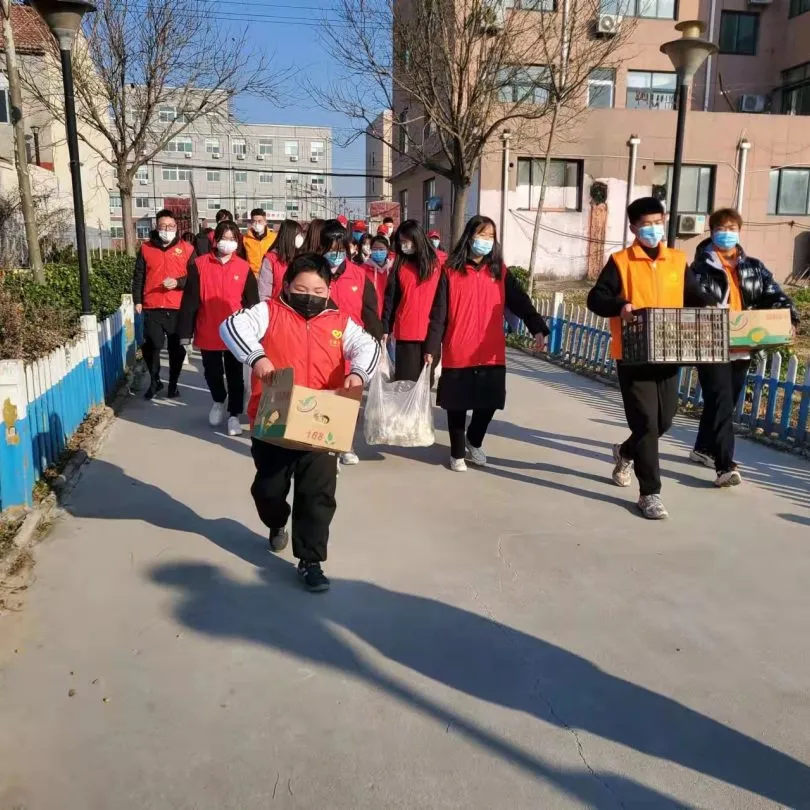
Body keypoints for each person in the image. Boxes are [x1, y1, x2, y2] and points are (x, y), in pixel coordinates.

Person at [219, 253, 381, 592]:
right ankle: (276, 521)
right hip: (275, 418)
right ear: (287, 285)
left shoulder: (340, 321)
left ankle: (311, 560)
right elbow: (231, 327)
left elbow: (368, 346)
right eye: (302, 289)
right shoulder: (268, 312)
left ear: (329, 290)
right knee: (269, 489)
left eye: (318, 291)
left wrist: (357, 374)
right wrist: (257, 358)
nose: (310, 297)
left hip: (321, 420)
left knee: (317, 494)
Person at [587, 196, 709, 520]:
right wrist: (620, 306)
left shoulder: (676, 261)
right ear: (633, 228)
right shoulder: (621, 262)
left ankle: (625, 452)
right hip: (633, 354)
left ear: (664, 221)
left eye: (657, 222)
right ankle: (650, 493)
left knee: (663, 421)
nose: (653, 229)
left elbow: (694, 296)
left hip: (669, 351)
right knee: (644, 421)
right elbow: (596, 298)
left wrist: (713, 306)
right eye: (646, 225)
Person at [426, 215, 548, 472]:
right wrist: (431, 348)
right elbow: (438, 313)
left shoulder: (499, 272)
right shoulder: (450, 271)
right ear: (469, 237)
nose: (486, 241)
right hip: (459, 349)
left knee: (490, 401)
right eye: (482, 235)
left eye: (491, 236)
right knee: (457, 404)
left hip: (490, 350)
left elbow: (520, 301)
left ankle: (474, 440)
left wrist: (537, 327)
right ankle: (457, 453)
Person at [689, 207, 800, 487]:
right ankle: (725, 466)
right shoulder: (699, 269)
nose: (727, 234)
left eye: (732, 229)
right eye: (721, 229)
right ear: (712, 232)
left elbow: (775, 295)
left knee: (725, 401)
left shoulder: (754, 268)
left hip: (743, 343)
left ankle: (702, 448)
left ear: (739, 231)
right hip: (711, 343)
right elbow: (686, 301)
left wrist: (790, 317)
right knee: (721, 400)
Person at [177, 221, 259, 437]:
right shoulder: (199, 265)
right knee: (212, 372)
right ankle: (218, 400)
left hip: (235, 332)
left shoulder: (243, 267)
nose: (228, 243)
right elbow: (190, 302)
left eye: (233, 239)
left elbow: (252, 303)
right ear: (216, 239)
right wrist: (185, 334)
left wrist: (255, 332)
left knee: (235, 375)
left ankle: (234, 415)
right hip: (208, 328)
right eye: (225, 238)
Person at [320, 219, 384, 466]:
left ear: (348, 248)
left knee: (348, 401)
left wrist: (376, 343)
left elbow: (370, 312)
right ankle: (324, 445)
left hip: (350, 350)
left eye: (339, 249)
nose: (334, 254)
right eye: (330, 249)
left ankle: (345, 444)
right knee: (325, 399)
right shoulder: (314, 274)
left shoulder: (359, 275)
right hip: (321, 348)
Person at [132, 209, 195, 400]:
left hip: (178, 307)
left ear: (176, 227)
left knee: (176, 349)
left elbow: (195, 277)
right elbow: (139, 276)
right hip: (152, 305)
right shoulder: (146, 248)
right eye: (163, 226)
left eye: (170, 226)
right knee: (152, 345)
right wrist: (137, 300)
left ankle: (173, 384)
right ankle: (155, 381)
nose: (167, 229)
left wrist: (178, 282)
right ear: (156, 227)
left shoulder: (187, 249)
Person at [383, 219, 442, 384]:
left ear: (417, 239)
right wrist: (386, 327)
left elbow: (441, 304)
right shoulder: (400, 265)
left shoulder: (437, 265)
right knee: (405, 383)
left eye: (406, 241)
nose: (404, 245)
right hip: (406, 334)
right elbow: (391, 299)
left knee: (425, 384)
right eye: (401, 242)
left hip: (430, 334)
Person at [258, 219, 304, 302]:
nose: (301, 237)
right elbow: (264, 293)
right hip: (276, 306)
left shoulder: (300, 258)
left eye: (301, 234)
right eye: (298, 235)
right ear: (288, 236)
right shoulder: (271, 259)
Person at [362, 233, 392, 319]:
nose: (378, 252)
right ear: (371, 250)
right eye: (375, 249)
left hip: (389, 313)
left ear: (387, 250)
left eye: (381, 249)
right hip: (371, 313)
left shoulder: (392, 269)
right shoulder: (362, 269)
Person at [243, 208, 277, 277]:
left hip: (269, 274)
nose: (257, 224)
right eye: (254, 221)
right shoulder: (245, 238)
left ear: (265, 221)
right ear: (251, 222)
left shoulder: (274, 238)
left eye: (259, 221)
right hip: (251, 275)